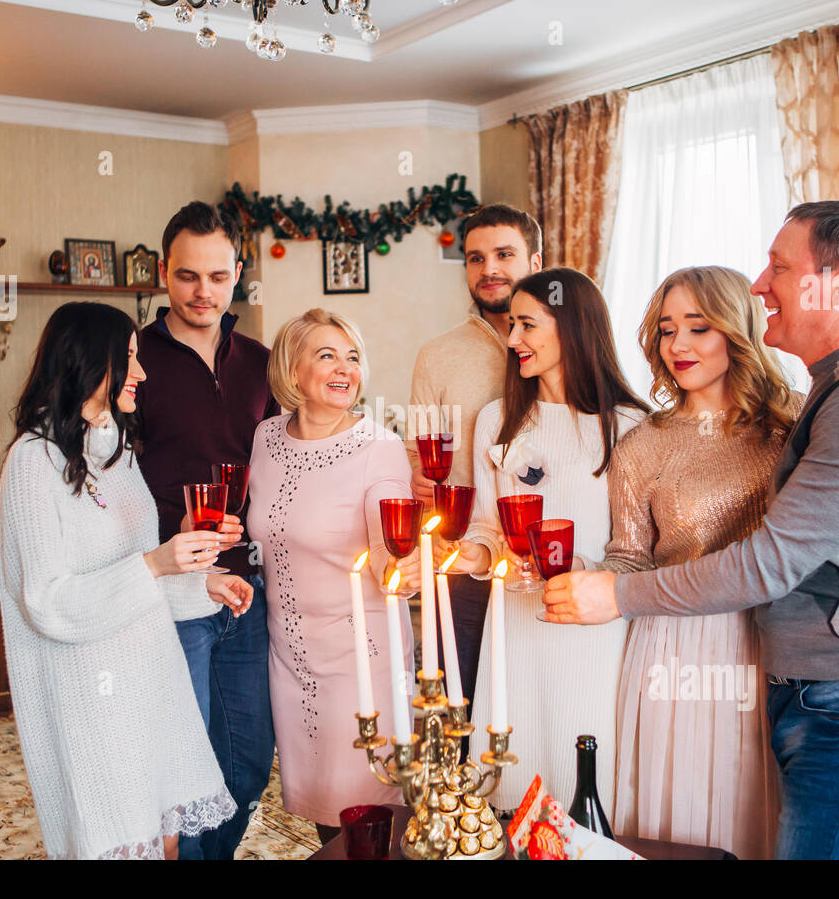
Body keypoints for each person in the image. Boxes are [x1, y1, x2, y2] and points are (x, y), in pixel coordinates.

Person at [545, 201, 839, 860]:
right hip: (816, 693)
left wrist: (615, 597)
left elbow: (770, 562)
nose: (760, 284)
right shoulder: (838, 390)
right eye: (665, 329)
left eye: (779, 268)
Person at [0, 301, 254, 859]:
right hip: (91, 691)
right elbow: (46, 601)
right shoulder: (31, 463)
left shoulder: (117, 449)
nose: (140, 373)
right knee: (116, 840)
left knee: (165, 839)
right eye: (129, 358)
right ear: (89, 363)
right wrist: (159, 564)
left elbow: (138, 570)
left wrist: (197, 583)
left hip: (151, 676)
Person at [603, 266, 802, 859]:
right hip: (667, 645)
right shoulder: (643, 442)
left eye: (698, 327)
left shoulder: (788, 429)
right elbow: (629, 557)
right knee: (673, 807)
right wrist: (580, 581)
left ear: (736, 330)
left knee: (749, 801)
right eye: (666, 330)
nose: (678, 346)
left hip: (760, 640)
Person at [444, 268, 648, 814]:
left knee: (587, 785)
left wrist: (574, 567)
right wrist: (469, 554)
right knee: (513, 787)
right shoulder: (497, 423)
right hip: (514, 630)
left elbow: (640, 553)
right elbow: (488, 527)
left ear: (573, 327)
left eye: (526, 325)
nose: (512, 341)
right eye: (511, 326)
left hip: (592, 637)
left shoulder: (628, 427)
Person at [135, 201, 279, 860]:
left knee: (248, 763)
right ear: (165, 272)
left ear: (237, 274)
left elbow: (289, 455)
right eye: (189, 276)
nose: (204, 292)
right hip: (171, 595)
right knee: (184, 770)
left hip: (247, 590)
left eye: (218, 277)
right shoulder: (132, 359)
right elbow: (109, 476)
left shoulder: (263, 361)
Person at [247, 308, 422, 844]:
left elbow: (390, 545)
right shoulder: (265, 437)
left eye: (352, 357)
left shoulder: (379, 448)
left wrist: (405, 566)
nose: (344, 368)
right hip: (291, 657)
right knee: (328, 815)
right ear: (292, 371)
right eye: (327, 356)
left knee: (369, 813)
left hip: (359, 661)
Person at [406, 204, 543, 708]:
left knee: (528, 713)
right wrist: (419, 479)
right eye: (475, 258)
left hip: (541, 564)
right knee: (456, 712)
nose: (490, 269)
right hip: (462, 566)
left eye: (505, 254)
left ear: (535, 259)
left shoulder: (563, 345)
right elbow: (416, 454)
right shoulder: (437, 356)